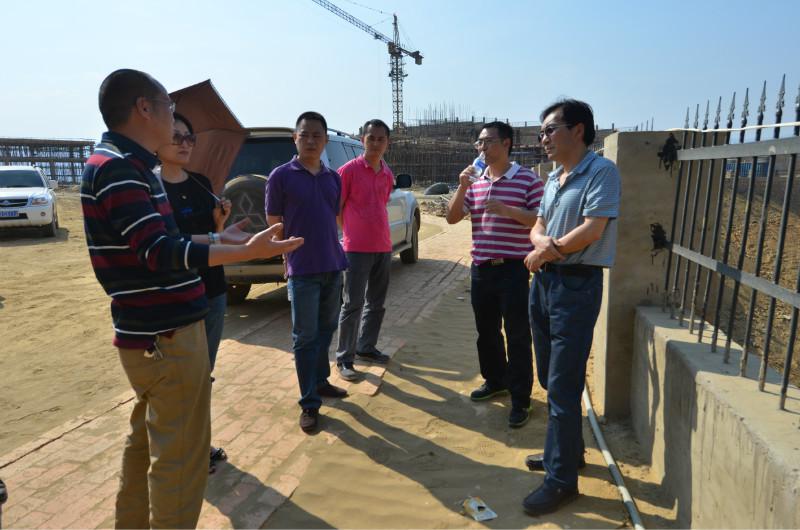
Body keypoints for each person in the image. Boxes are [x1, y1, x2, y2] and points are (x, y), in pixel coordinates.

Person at [82, 69, 302, 528]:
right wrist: (242, 252)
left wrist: (222, 239)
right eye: (168, 108)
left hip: (152, 335)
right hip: (166, 336)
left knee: (146, 444)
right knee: (180, 461)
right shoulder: (120, 169)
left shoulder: (127, 164)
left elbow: (163, 239)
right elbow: (159, 251)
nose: (175, 120)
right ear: (144, 109)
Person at [522, 99, 621, 515]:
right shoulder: (553, 177)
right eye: (542, 132)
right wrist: (541, 244)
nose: (543, 138)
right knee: (549, 374)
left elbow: (593, 229)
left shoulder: (601, 172)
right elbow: (538, 224)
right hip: (545, 284)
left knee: (563, 385)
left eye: (550, 130)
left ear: (577, 130)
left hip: (576, 285)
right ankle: (568, 450)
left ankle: (561, 480)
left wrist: (547, 250)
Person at [445, 121, 543, 428]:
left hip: (514, 269)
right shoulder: (475, 181)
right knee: (486, 332)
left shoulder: (527, 180)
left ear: (506, 143)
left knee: (517, 334)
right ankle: (495, 380)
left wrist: (508, 210)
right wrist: (462, 186)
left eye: (488, 142)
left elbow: (541, 220)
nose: (482, 148)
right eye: (479, 143)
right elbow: (451, 218)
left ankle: (521, 397)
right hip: (481, 269)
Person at [156, 112, 231, 474]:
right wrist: (216, 237)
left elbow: (213, 237)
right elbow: (164, 243)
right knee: (179, 377)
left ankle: (199, 444)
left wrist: (220, 222)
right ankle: (181, 450)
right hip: (174, 297)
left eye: (190, 138)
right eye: (176, 137)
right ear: (157, 139)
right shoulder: (149, 188)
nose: (185, 144)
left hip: (212, 289)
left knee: (204, 374)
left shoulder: (202, 183)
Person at [266, 111, 349, 434]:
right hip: (302, 270)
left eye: (317, 135)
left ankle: (321, 381)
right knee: (304, 337)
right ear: (295, 139)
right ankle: (309, 403)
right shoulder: (280, 176)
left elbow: (334, 218)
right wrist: (285, 253)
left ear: (325, 140)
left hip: (333, 265)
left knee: (327, 328)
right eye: (305, 135)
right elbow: (274, 222)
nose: (311, 141)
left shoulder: (333, 178)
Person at [334, 119, 395, 381]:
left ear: (387, 143)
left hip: (383, 246)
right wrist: (351, 231)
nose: (376, 143)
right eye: (371, 138)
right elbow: (337, 208)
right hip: (356, 249)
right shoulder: (348, 171)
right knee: (352, 304)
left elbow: (382, 203)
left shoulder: (387, 172)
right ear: (362, 140)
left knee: (376, 303)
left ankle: (366, 347)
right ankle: (344, 359)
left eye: (381, 139)